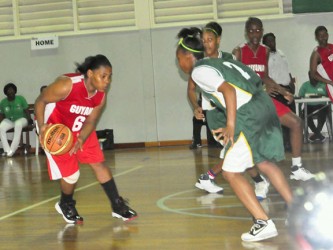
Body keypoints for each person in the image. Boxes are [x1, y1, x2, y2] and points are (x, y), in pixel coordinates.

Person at [176, 27, 293, 242]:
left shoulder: (199, 71)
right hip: (263, 105)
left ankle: (263, 222)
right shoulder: (222, 62)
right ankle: (295, 211)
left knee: (230, 171)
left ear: (187, 56)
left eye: (178, 58)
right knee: (264, 162)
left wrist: (231, 124)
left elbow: (228, 91)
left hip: (248, 113)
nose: (179, 64)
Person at [34, 54, 137, 224]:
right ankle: (65, 203)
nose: (107, 81)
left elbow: (91, 120)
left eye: (109, 76)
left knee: (99, 163)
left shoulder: (100, 96)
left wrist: (81, 137)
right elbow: (41, 100)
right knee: (72, 174)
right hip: (54, 128)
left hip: (80, 127)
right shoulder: (67, 85)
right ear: (90, 74)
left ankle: (117, 205)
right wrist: (42, 126)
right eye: (103, 76)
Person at [190, 22, 269, 199]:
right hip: (214, 114)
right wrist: (196, 106)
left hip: (231, 109)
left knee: (237, 149)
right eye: (203, 40)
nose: (206, 43)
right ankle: (257, 181)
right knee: (235, 149)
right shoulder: (199, 64)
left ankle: (210, 177)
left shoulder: (228, 58)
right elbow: (190, 89)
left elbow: (236, 82)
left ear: (218, 40)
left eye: (210, 39)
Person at [232, 17, 314, 181]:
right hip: (247, 101)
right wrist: (260, 88)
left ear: (262, 31)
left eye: (257, 30)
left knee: (296, 122)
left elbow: (265, 76)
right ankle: (253, 179)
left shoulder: (265, 50)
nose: (255, 33)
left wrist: (283, 91)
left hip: (262, 98)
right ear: (246, 33)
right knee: (245, 144)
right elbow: (235, 81)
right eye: (251, 30)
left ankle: (296, 167)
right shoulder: (239, 51)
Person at [263, 32, 296, 151]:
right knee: (280, 120)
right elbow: (264, 75)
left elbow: (287, 70)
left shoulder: (281, 53)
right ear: (264, 43)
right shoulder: (264, 56)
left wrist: (291, 84)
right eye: (269, 41)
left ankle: (291, 144)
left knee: (292, 118)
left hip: (287, 89)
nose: (272, 43)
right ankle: (281, 145)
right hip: (276, 91)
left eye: (273, 40)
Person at [0, 83, 32, 157]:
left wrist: (30, 120)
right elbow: (1, 114)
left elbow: (27, 110)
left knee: (18, 124)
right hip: (10, 120)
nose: (11, 92)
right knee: (1, 127)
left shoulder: (21, 98)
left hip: (22, 119)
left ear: (15, 91)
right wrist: (1, 121)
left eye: (12, 90)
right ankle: (7, 151)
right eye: (9, 90)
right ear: (6, 93)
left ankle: (12, 150)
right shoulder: (3, 102)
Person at [298, 71, 329, 142]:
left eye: (315, 77)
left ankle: (316, 133)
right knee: (305, 114)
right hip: (309, 106)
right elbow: (300, 97)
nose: (313, 79)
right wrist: (299, 109)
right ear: (309, 77)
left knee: (323, 112)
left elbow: (329, 95)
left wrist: (323, 95)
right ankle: (318, 133)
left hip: (322, 106)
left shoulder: (324, 85)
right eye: (311, 77)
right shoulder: (305, 85)